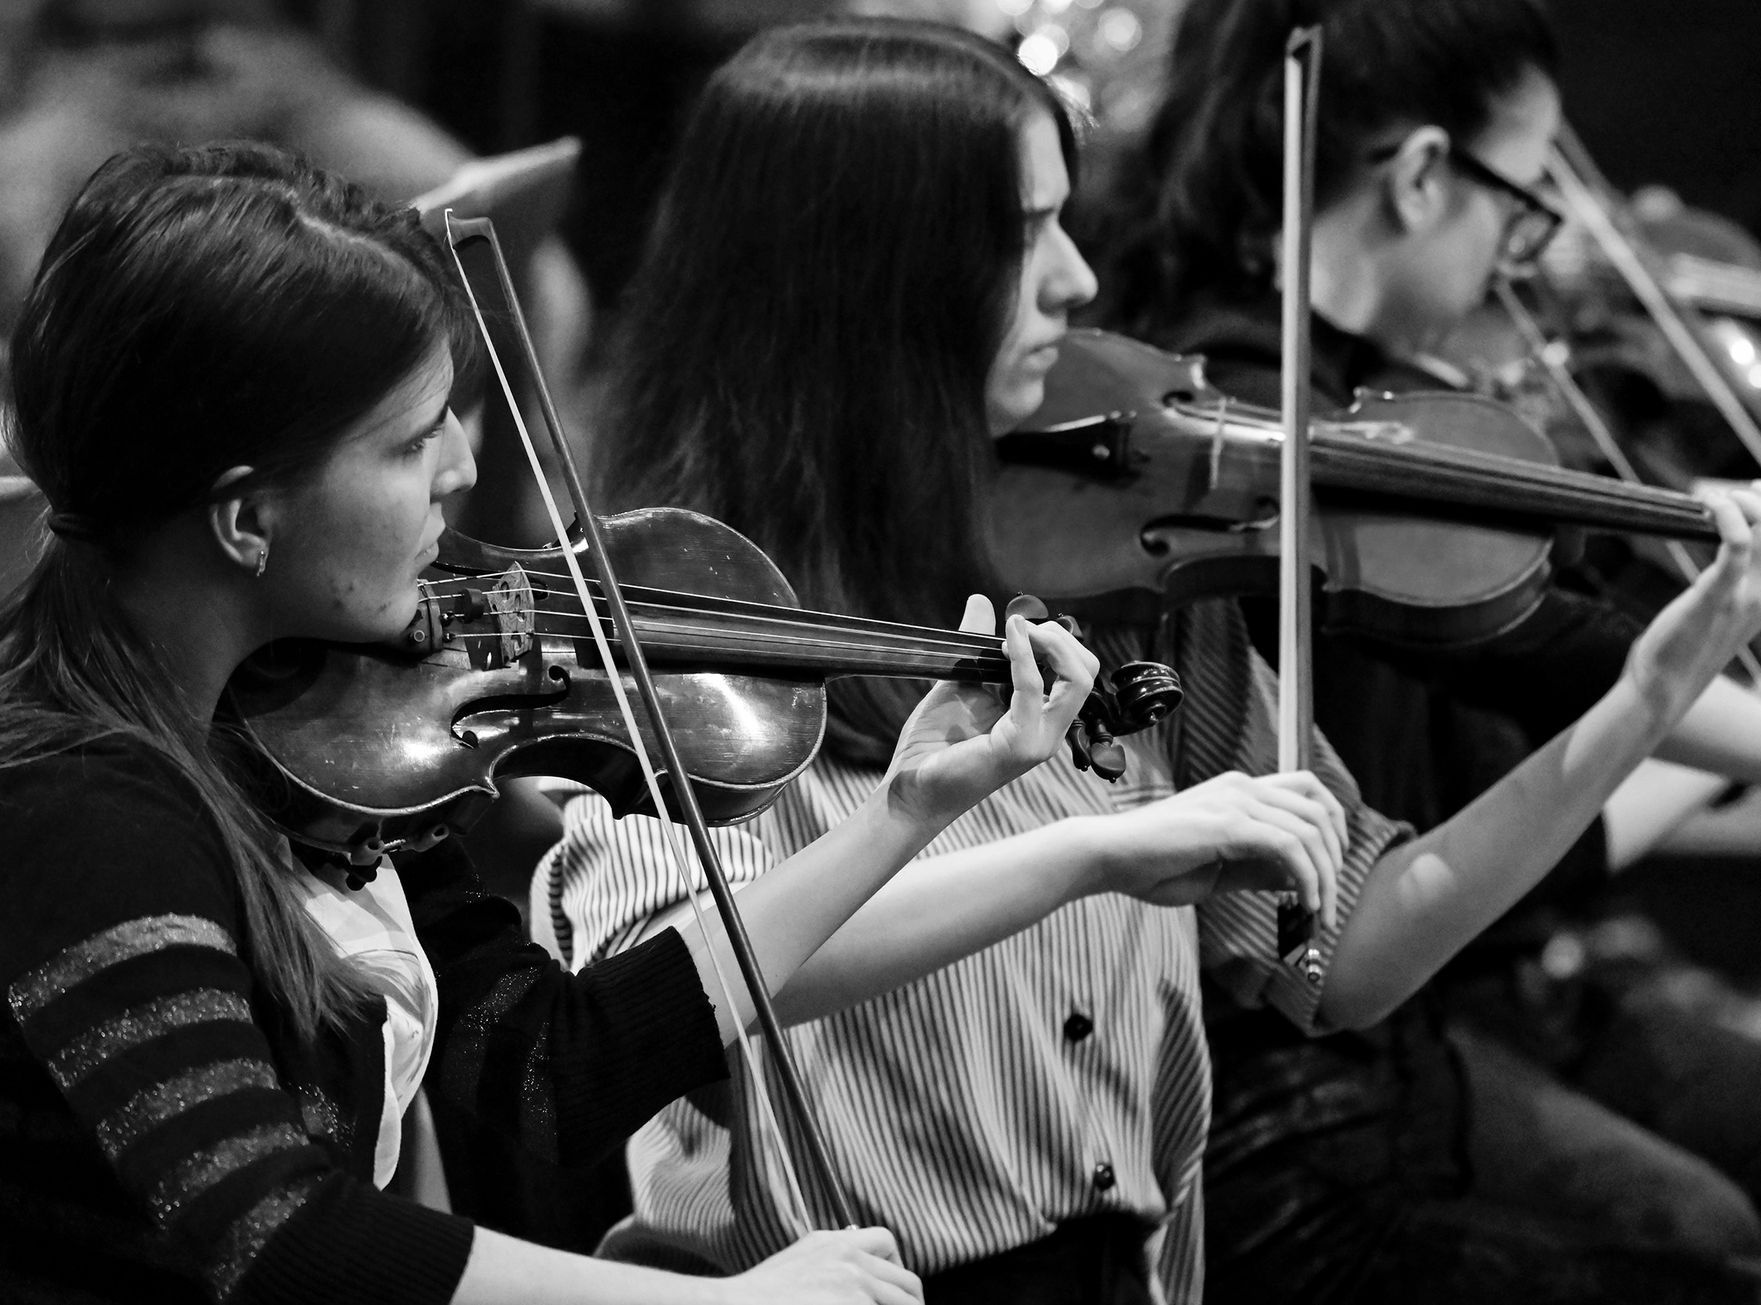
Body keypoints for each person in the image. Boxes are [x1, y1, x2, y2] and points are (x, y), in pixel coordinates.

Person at [536, 18, 1761, 1304]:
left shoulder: (1120, 590)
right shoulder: (685, 614)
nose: (1078, 276)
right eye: (1024, 233)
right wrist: (1091, 851)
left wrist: (1647, 696)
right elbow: (651, 985)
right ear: (867, 279)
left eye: (1069, 217)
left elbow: (1349, 954)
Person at [0, 139, 1122, 1305]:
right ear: (245, 520)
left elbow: (546, 1070)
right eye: (409, 439)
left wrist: (905, 813)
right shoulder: (78, 813)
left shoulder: (311, 729)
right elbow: (280, 1240)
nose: (461, 466)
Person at [1090, 0, 1761, 1297]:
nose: (1530, 268)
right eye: (1521, 201)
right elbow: (1530, 727)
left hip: (1447, 1005)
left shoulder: (1369, 396)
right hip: (1375, 1043)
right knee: (1691, 1219)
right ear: (1425, 174)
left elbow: (1558, 671)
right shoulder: (1248, 440)